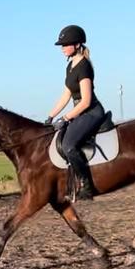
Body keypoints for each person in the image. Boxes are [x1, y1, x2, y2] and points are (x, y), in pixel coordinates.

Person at [45, 25, 105, 200]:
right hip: (80, 112)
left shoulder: (84, 66)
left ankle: (87, 185)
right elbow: (66, 95)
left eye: (66, 44)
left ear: (77, 44)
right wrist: (50, 116)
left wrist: (65, 117)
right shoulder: (70, 66)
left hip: (92, 112)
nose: (62, 48)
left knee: (68, 145)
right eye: (61, 45)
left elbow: (85, 101)